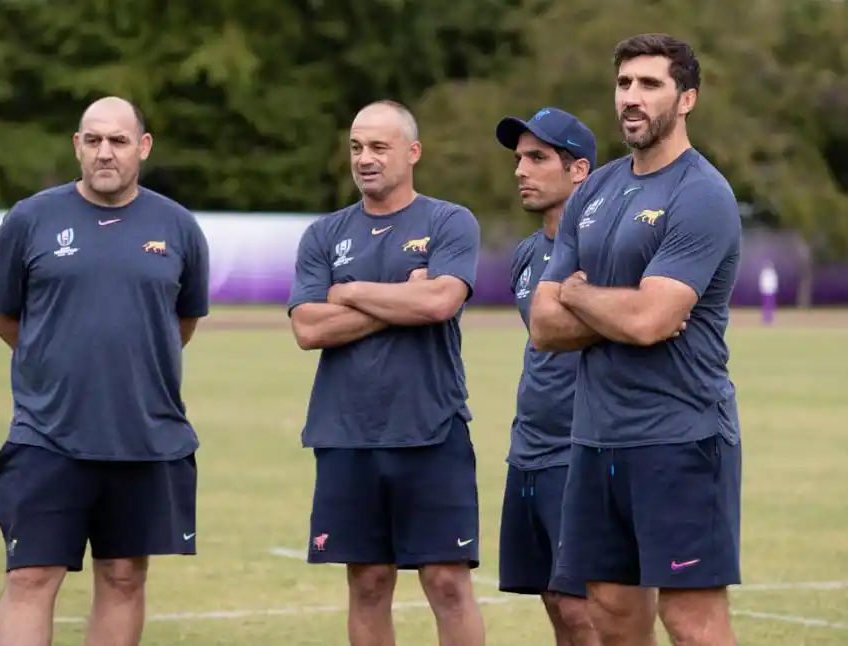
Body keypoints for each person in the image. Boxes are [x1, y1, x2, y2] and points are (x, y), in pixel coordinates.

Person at [531, 33, 742, 646]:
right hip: (595, 437)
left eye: (650, 84)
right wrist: (610, 308)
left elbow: (652, 322)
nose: (632, 97)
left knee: (691, 621)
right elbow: (542, 326)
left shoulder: (702, 193)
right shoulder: (593, 190)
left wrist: (577, 293)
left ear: (686, 99)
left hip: (681, 436)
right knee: (612, 615)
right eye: (624, 83)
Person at [0, 96, 210, 646]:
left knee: (124, 576)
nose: (105, 152)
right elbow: (3, 315)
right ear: (77, 146)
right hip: (47, 435)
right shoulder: (30, 219)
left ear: (143, 147)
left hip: (143, 435)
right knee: (32, 575)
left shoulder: (178, 227)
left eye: (119, 140)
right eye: (93, 140)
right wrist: (55, 361)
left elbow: (181, 322)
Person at [286, 100, 485, 646]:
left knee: (447, 582)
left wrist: (348, 293)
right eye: (356, 148)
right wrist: (405, 296)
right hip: (346, 433)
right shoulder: (324, 235)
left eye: (379, 147)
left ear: (413, 152)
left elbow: (440, 303)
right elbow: (308, 328)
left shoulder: (449, 220)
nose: (365, 159)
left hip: (432, 430)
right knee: (369, 583)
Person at [493, 107, 600, 646]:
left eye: (537, 158)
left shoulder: (607, 249)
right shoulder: (527, 256)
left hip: (582, 449)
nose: (521, 170)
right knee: (556, 603)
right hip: (529, 448)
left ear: (577, 170)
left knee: (589, 611)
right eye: (519, 158)